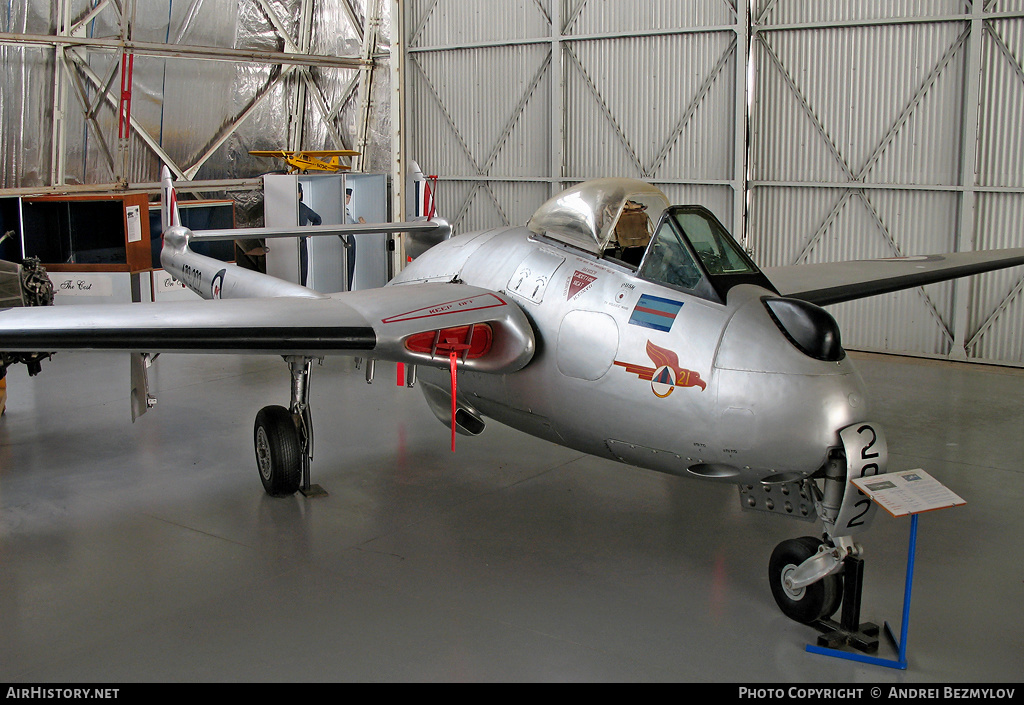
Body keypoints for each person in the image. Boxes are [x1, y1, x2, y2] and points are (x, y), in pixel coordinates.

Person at [297, 182, 321, 287]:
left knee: (302, 270)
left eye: (298, 192)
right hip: (287, 243)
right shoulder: (284, 208)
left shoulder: (303, 208)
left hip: (301, 242)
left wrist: (311, 230)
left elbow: (317, 219)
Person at [342, 187, 364, 290]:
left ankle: (348, 288)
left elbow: (351, 224)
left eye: (349, 197)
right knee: (346, 266)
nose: (348, 200)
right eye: (346, 196)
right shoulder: (340, 211)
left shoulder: (347, 211)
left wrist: (359, 223)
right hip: (346, 238)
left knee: (351, 266)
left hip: (350, 238)